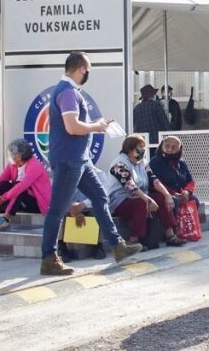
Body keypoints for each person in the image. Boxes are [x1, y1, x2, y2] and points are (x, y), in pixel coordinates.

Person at [40, 51, 142, 276]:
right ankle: (49, 258)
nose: (88, 74)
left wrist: (97, 123)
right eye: (88, 70)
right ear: (80, 69)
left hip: (79, 158)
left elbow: (74, 124)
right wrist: (97, 127)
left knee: (100, 196)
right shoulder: (68, 92)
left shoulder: (68, 91)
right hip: (69, 159)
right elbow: (72, 127)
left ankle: (117, 246)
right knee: (57, 210)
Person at [105, 134, 186, 248]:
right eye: (140, 147)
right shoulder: (118, 163)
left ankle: (170, 235)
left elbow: (154, 180)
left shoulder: (142, 162)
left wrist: (167, 195)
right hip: (120, 200)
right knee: (141, 203)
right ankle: (134, 240)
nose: (142, 150)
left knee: (161, 198)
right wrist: (148, 200)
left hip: (141, 196)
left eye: (143, 147)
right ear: (129, 148)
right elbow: (130, 186)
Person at [0, 139, 51, 231]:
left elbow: (22, 186)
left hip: (36, 203)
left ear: (22, 154)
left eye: (14, 153)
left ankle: (6, 219)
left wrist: (3, 198)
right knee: (3, 184)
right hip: (20, 199)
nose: (11, 155)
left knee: (19, 186)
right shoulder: (12, 165)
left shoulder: (35, 165)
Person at [150, 135, 201, 217]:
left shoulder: (181, 163)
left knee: (194, 199)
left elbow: (190, 181)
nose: (170, 149)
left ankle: (191, 225)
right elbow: (157, 182)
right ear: (162, 147)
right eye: (167, 146)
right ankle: (175, 225)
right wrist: (174, 193)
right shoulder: (155, 161)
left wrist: (186, 192)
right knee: (174, 200)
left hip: (180, 193)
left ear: (179, 149)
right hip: (162, 193)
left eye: (174, 147)